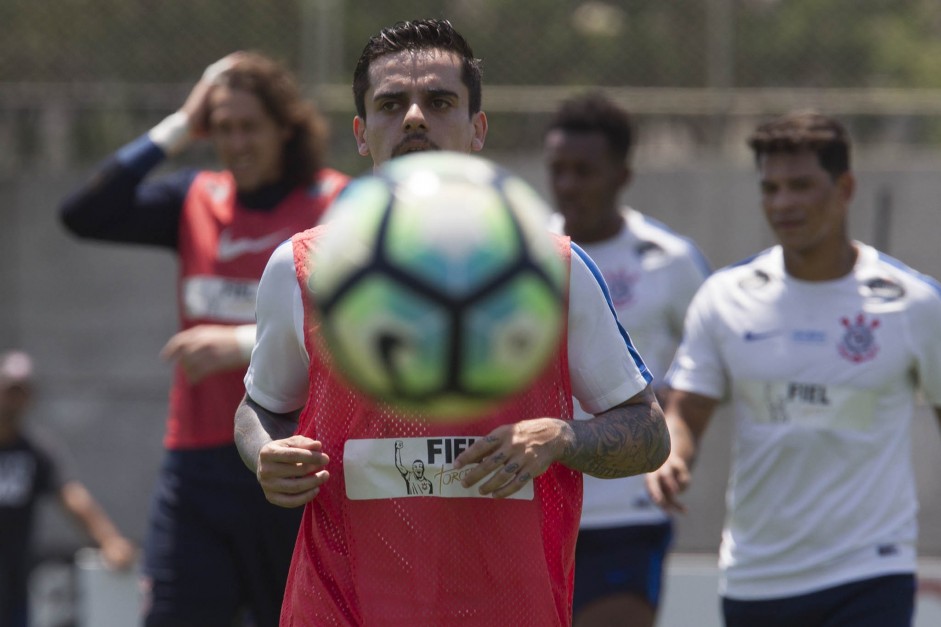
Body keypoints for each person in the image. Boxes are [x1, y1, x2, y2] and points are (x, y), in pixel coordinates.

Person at [233, 19, 670, 626]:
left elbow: (649, 433)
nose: (414, 118)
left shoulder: (554, 270)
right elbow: (259, 406)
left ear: (477, 129)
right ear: (361, 134)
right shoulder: (302, 269)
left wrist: (563, 437)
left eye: (439, 102)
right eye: (390, 105)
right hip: (341, 606)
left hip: (507, 609)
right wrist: (265, 453)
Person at [58, 52, 349, 627]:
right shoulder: (195, 197)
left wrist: (242, 342)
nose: (235, 142)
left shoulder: (335, 204)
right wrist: (177, 128)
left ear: (286, 128)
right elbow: (83, 213)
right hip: (195, 467)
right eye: (221, 128)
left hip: (293, 458)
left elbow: (358, 321)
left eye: (250, 127)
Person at [646, 110, 941, 627]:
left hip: (871, 571)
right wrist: (674, 455)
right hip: (758, 575)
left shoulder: (913, 303)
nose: (783, 203)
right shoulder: (725, 297)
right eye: (771, 188)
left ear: (845, 187)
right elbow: (687, 409)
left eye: (801, 186)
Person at [544, 92, 711, 627]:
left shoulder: (669, 260)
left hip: (628, 509)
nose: (568, 185)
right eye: (558, 170)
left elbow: (709, 361)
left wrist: (674, 426)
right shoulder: (521, 255)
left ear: (622, 175)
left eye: (584, 171)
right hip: (537, 501)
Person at [0, 350, 136, 627]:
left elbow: (72, 497)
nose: (13, 400)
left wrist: (109, 540)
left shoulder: (36, 452)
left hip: (12, 584)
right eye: (9, 390)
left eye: (21, 392)